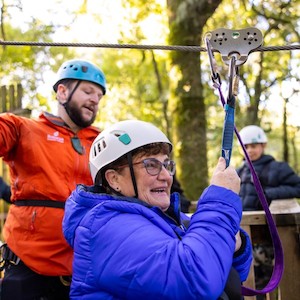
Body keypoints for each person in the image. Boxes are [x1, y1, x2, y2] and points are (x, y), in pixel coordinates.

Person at [63, 119, 253, 300]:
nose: (166, 177)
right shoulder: (104, 229)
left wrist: (237, 247)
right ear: (114, 179)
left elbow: (226, 272)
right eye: (150, 165)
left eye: (166, 165)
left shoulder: (163, 217)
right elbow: (195, 281)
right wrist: (219, 203)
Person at [0, 59, 106, 299]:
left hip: (87, 269)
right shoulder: (24, 129)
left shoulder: (104, 141)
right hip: (29, 269)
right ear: (62, 91)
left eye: (99, 96)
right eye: (88, 91)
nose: (94, 100)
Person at [237, 125, 300, 297]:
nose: (250, 150)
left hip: (267, 239)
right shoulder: (239, 171)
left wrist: (269, 194)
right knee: (248, 283)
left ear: (263, 145)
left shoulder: (277, 168)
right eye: (246, 146)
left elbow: (297, 186)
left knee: (267, 283)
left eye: (254, 146)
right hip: (243, 237)